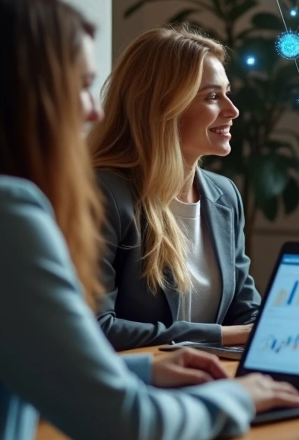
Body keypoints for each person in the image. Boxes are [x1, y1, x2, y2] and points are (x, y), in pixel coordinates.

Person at [0, 0, 299, 440]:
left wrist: (141, 367)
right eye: (78, 84)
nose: (94, 110)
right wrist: (238, 397)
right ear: (23, 93)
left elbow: (5, 361)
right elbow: (126, 429)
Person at [89, 26, 260, 350]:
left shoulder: (224, 196)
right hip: (137, 389)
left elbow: (245, 313)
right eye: (212, 96)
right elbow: (95, 328)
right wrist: (222, 337)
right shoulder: (103, 195)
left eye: (227, 92)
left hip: (209, 383)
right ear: (163, 107)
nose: (232, 110)